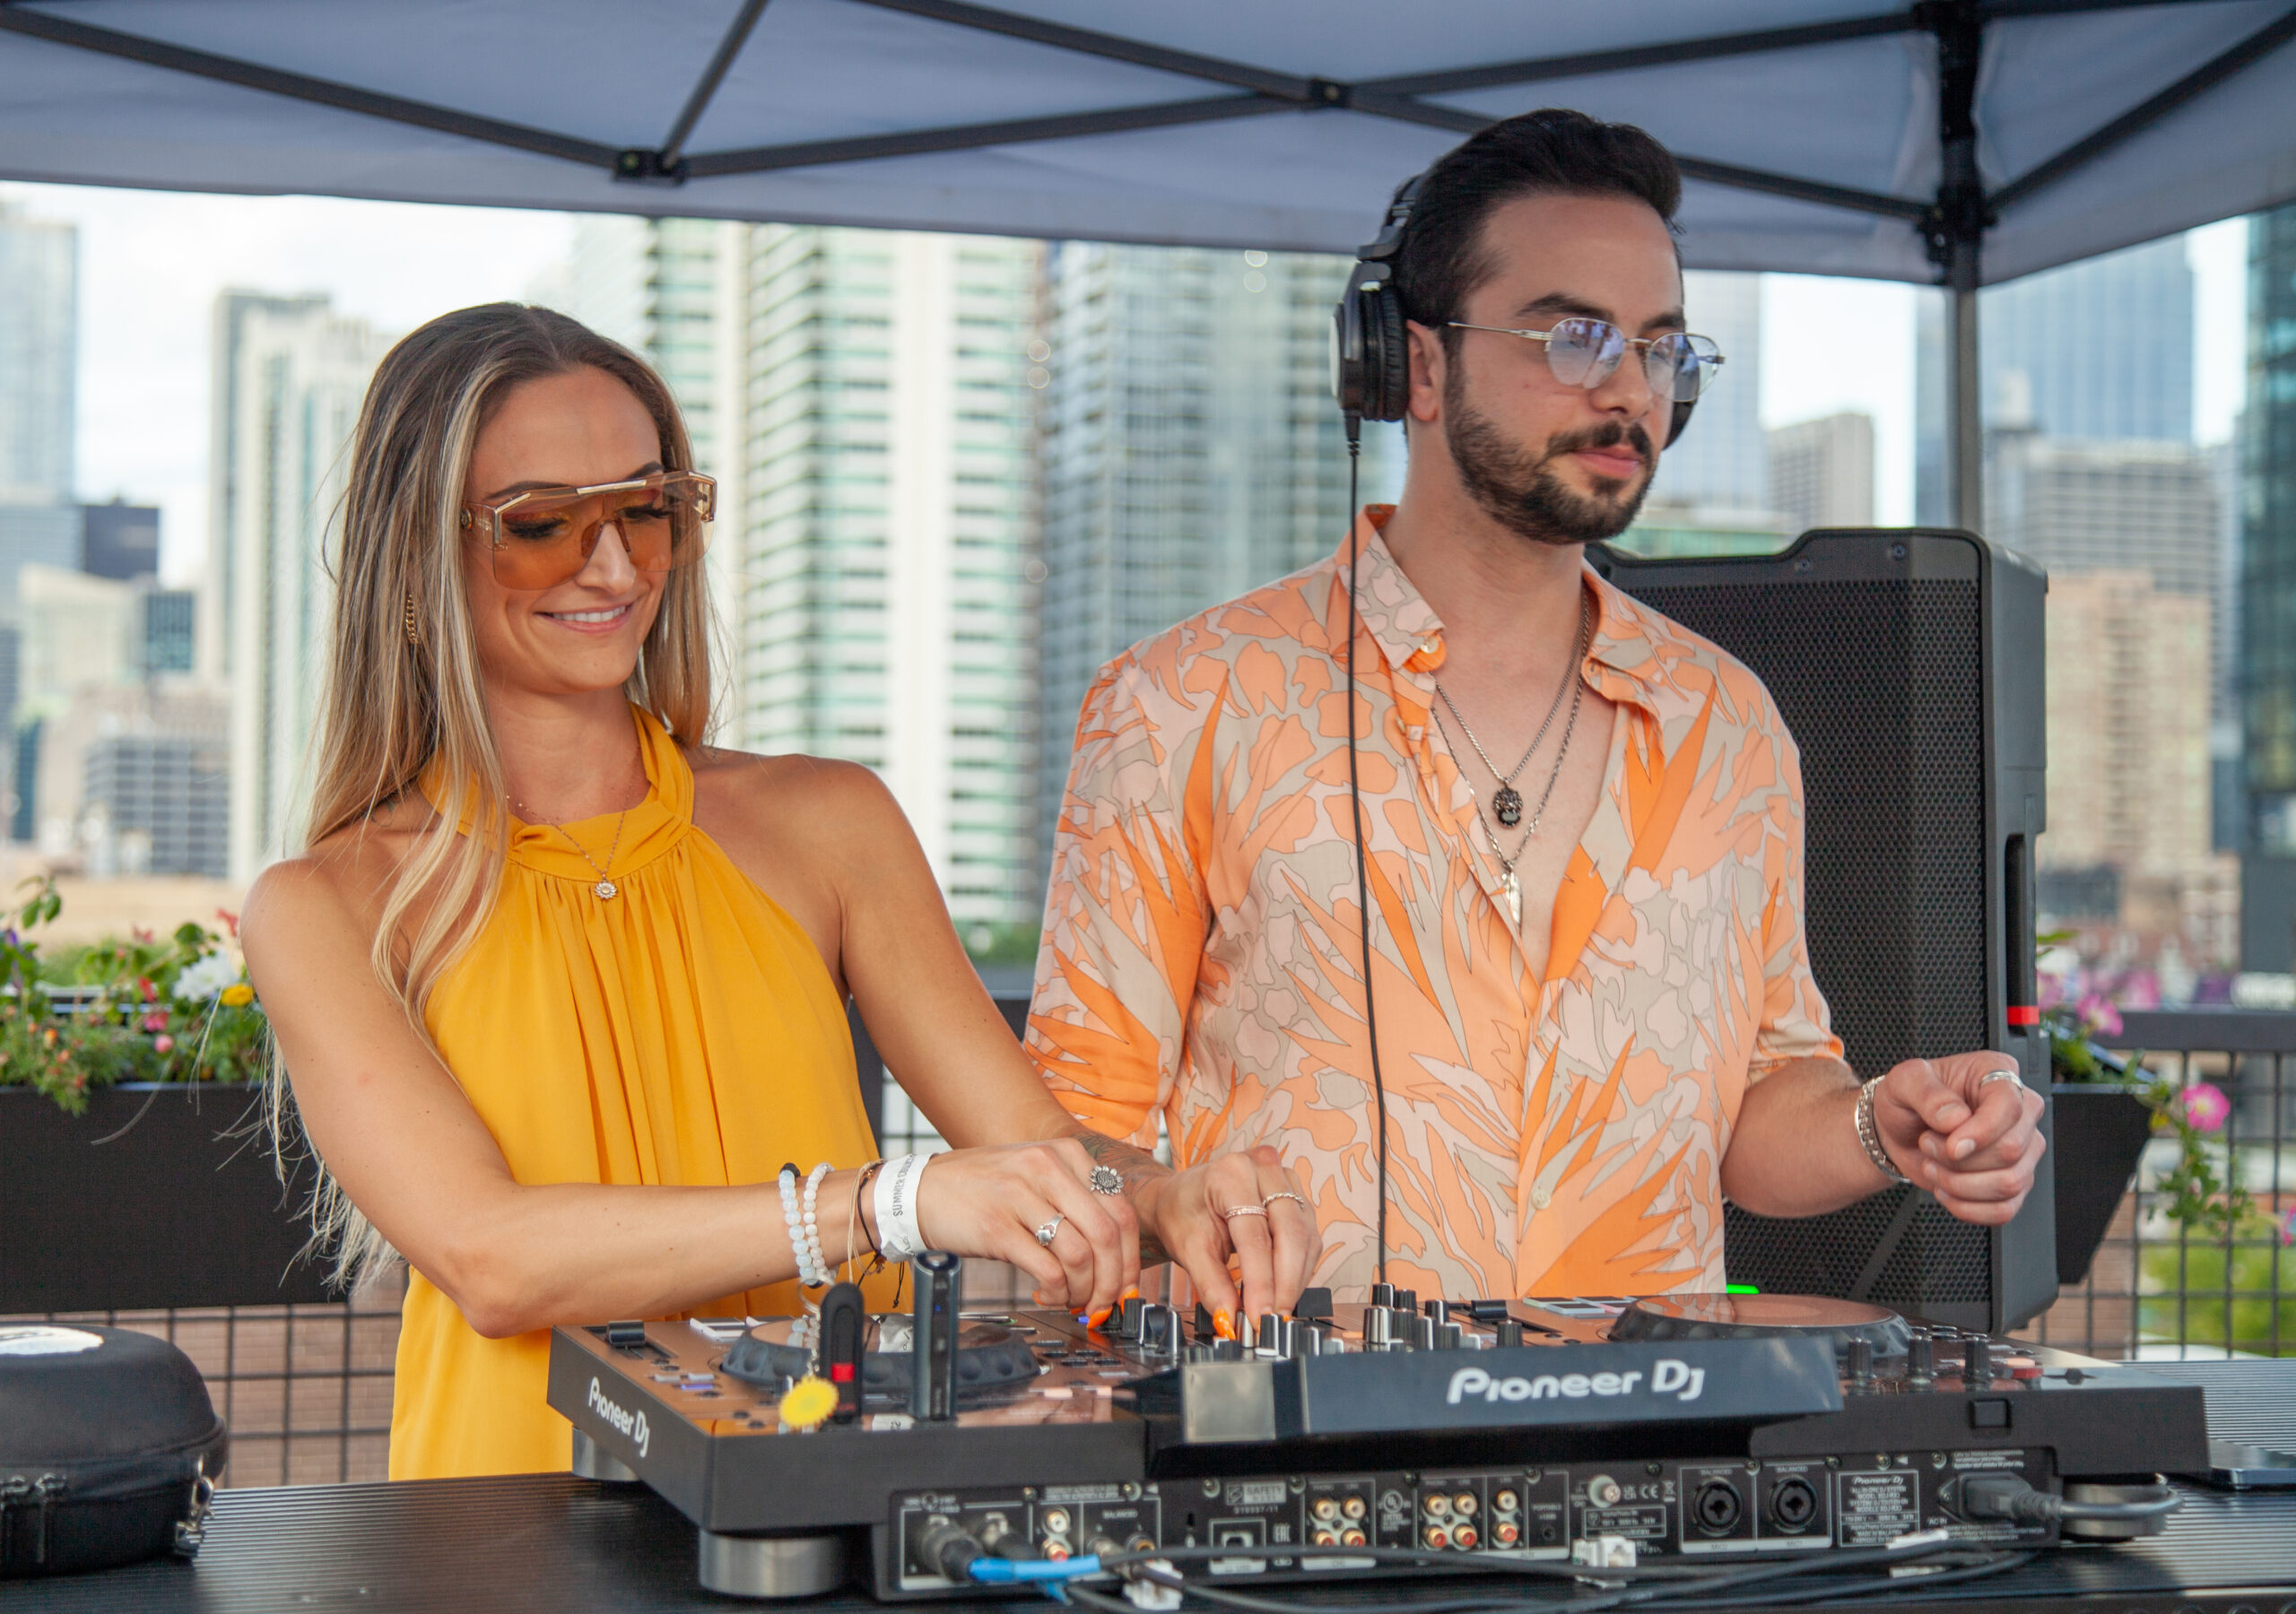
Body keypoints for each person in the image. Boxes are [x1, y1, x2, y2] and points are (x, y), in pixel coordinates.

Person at [240, 305, 1305, 1479]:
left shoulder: (830, 823)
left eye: (648, 508)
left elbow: (1039, 1149)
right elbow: (492, 1260)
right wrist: (886, 1205)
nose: (615, 566)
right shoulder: (330, 906)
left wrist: (1158, 1197)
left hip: (834, 1505)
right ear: (416, 555)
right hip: (508, 1526)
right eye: (541, 524)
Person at [1023, 109, 2047, 1303]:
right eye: (1574, 337)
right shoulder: (1180, 704)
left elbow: (1756, 1106)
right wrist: (1157, 1200)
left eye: (1661, 348)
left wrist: (1883, 1125)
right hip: (1296, 1408)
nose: (1630, 391)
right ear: (1413, 365)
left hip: (1647, 1410)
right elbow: (1067, 1141)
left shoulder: (1729, 722)